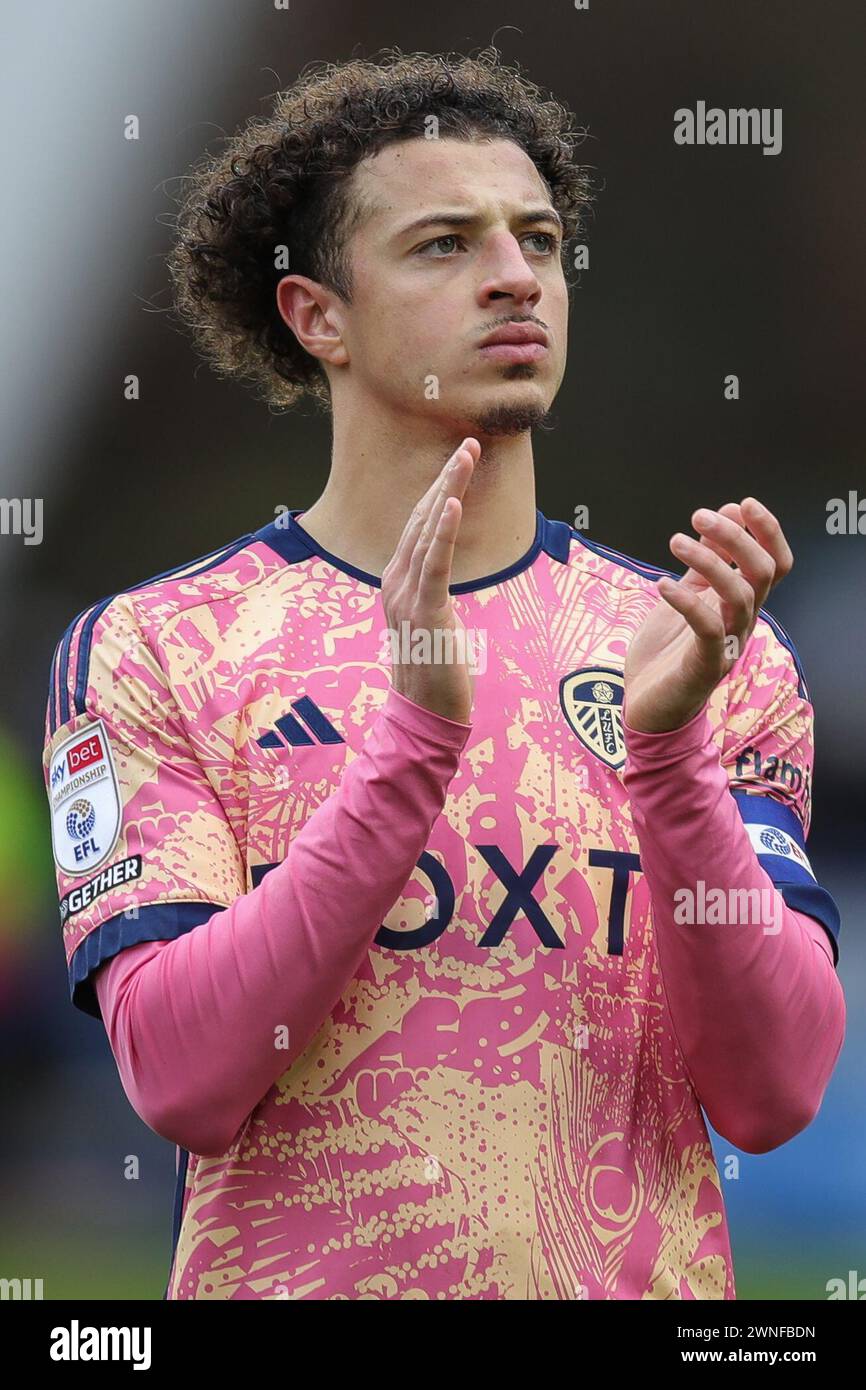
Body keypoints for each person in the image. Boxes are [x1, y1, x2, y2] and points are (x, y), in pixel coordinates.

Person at [42, 48, 844, 1301]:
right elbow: (186, 1081)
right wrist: (410, 743)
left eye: (538, 240)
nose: (515, 276)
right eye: (442, 245)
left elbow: (773, 1092)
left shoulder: (695, 648)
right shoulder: (162, 645)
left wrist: (670, 762)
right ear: (317, 317)